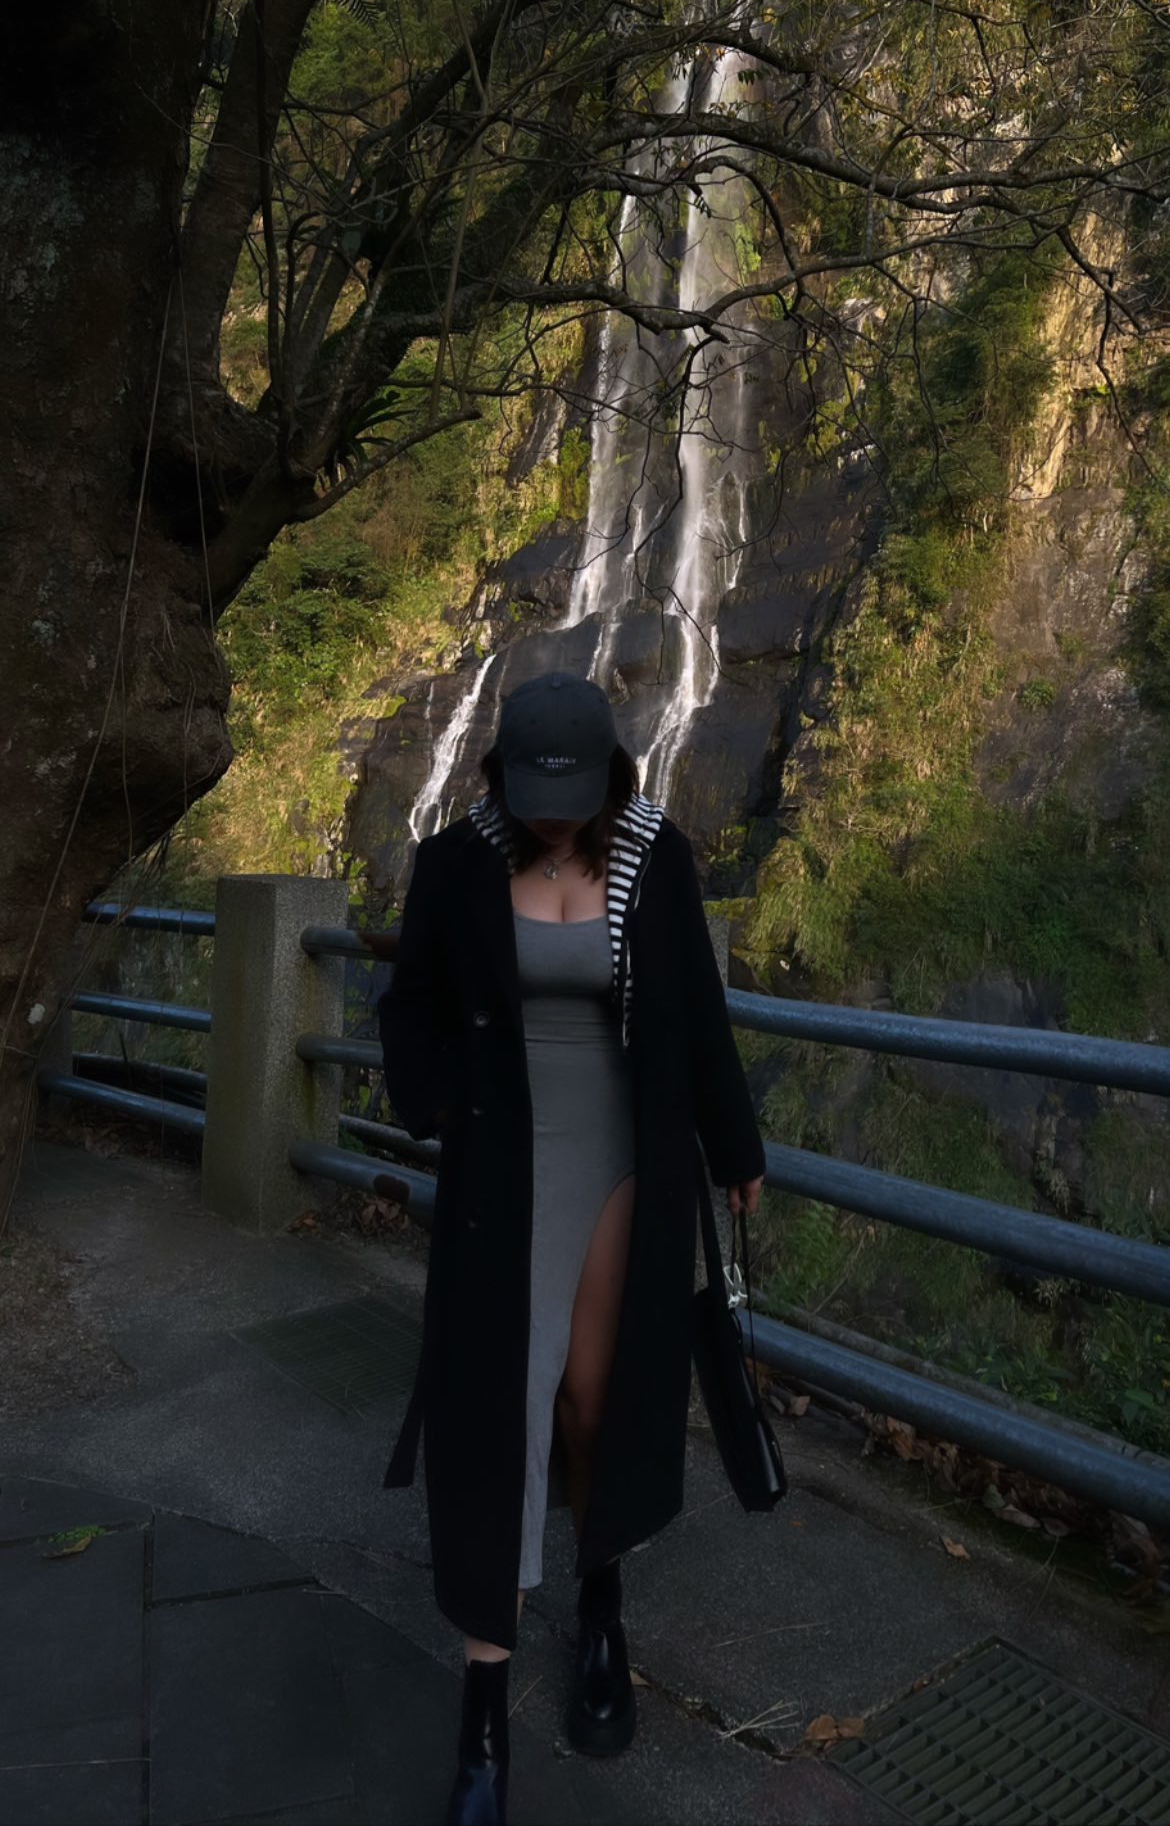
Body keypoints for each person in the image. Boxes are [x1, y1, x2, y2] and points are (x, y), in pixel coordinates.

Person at [376, 669, 766, 1826]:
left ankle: (601, 1603)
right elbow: (409, 1003)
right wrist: (435, 1101)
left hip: (621, 1158)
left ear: (609, 779)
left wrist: (734, 1147)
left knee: (595, 1402)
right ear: (501, 776)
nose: (553, 819)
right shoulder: (455, 862)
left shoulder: (655, 857)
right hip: (501, 1170)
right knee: (499, 1413)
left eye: (572, 796)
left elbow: (695, 1011)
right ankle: (483, 1727)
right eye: (533, 795)